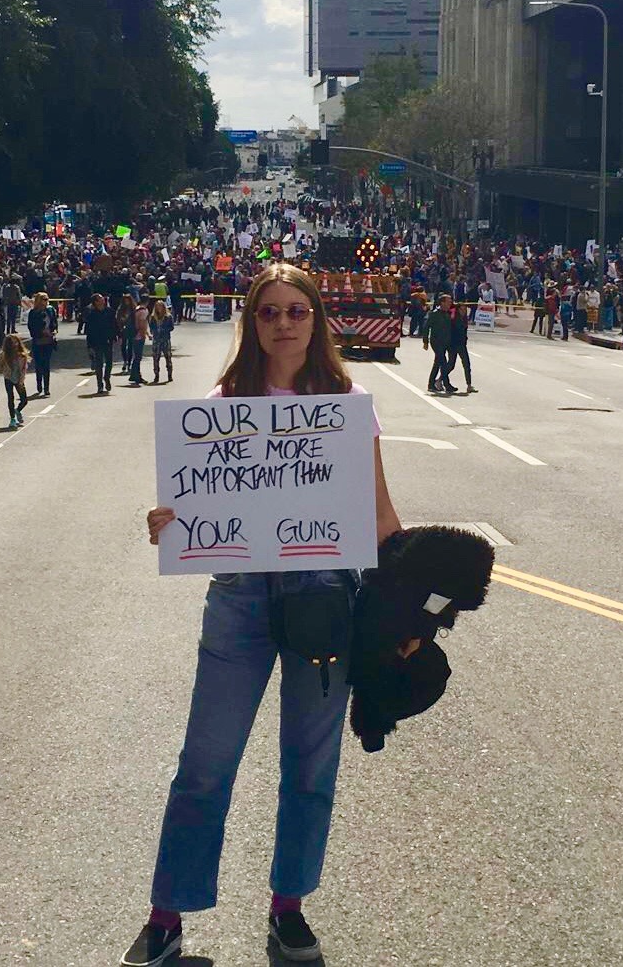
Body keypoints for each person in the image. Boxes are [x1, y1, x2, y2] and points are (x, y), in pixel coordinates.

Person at [124, 263, 407, 967]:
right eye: (269, 312)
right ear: (252, 323)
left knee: (311, 763)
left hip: (326, 597)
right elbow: (194, 501)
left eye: (296, 311)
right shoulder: (224, 403)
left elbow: (378, 512)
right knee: (205, 761)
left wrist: (405, 611)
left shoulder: (348, 402)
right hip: (241, 598)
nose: (283, 323)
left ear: (316, 319)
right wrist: (166, 522)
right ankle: (166, 915)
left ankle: (289, 907)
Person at [0, 332, 30, 429]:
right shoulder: (4, 355)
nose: (14, 345)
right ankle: (12, 418)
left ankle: (17, 410)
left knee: (24, 400)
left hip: (19, 379)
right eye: (12, 343)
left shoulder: (22, 355)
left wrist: (21, 380)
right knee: (10, 397)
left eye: (16, 342)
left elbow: (24, 369)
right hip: (8, 378)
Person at [421, 293, 454, 394]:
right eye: (448, 302)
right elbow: (426, 327)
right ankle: (446, 384)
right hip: (436, 341)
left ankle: (431, 384)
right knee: (443, 362)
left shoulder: (448, 314)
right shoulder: (434, 314)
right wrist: (425, 341)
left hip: (445, 341)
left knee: (438, 363)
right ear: (442, 303)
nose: (450, 304)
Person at [27, 291, 58, 397]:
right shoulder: (33, 313)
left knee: (46, 364)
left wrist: (54, 331)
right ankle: (39, 384)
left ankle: (47, 388)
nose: (46, 301)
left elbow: (54, 322)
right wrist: (41, 332)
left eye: (47, 299)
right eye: (44, 299)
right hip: (38, 341)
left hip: (48, 341)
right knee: (39, 364)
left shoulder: (50, 310)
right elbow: (31, 327)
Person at [85, 292, 116, 394]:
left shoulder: (110, 311)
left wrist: (116, 336)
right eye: (100, 299)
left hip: (108, 340)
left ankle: (107, 377)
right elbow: (89, 330)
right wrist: (89, 345)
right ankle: (100, 385)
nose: (103, 300)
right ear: (96, 302)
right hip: (97, 342)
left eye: (103, 298)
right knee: (99, 364)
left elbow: (114, 325)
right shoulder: (92, 314)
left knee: (109, 362)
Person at [448, 299, 477, 395]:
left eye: (465, 310)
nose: (464, 311)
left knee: (467, 364)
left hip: (462, 344)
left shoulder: (464, 319)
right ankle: (440, 379)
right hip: (453, 344)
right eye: (462, 309)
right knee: (451, 364)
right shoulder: (453, 318)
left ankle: (469, 385)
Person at [149, 299, 174, 384]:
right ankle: (156, 375)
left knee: (168, 357)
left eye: (160, 306)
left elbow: (171, 327)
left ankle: (169, 375)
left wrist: (164, 330)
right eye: (157, 306)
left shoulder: (168, 317)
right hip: (156, 340)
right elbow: (151, 327)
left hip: (165, 339)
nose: (159, 308)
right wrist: (154, 332)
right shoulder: (153, 317)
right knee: (156, 358)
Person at [128, 297, 150, 386]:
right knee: (138, 357)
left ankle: (133, 374)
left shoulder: (136, 309)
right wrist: (144, 334)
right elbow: (142, 323)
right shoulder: (144, 311)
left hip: (133, 334)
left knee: (136, 356)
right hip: (139, 335)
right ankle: (137, 376)